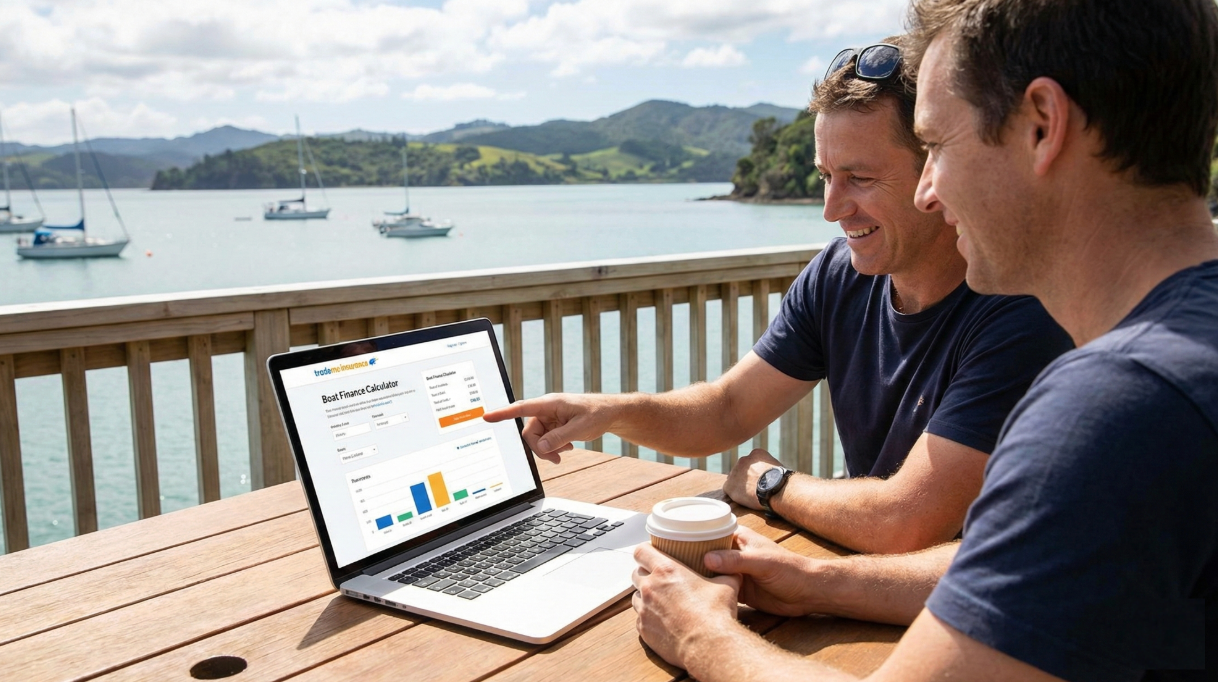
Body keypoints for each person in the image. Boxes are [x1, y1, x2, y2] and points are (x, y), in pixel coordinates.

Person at [629, 0, 1218, 680]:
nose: (930, 192)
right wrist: (817, 580)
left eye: (936, 145)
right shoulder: (1184, 356)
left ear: (1042, 126)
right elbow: (1028, 564)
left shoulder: (1121, 408)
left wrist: (701, 634)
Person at [484, 36, 1071, 555]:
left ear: (934, 171)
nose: (831, 208)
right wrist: (611, 412)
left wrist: (772, 484)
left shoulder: (1019, 305)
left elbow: (907, 523)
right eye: (825, 175)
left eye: (860, 178)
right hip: (866, 578)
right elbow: (728, 410)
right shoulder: (839, 276)